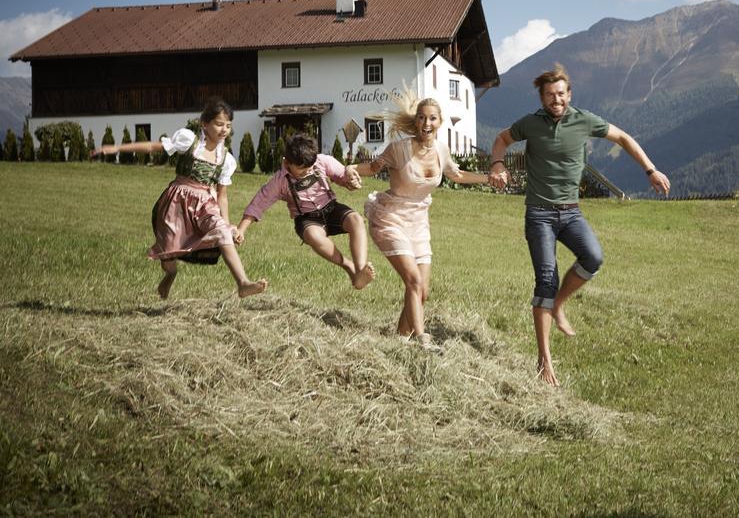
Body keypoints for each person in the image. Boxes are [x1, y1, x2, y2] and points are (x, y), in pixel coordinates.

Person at [489, 63, 671, 386]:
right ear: (542, 98)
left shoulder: (584, 120)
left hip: (571, 212)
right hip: (540, 214)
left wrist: (650, 170)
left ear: (569, 94)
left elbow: (624, 138)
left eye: (561, 94)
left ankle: (559, 305)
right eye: (549, 95)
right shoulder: (531, 124)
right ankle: (544, 361)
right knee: (546, 280)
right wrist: (498, 164)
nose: (556, 100)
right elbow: (501, 140)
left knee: (594, 257)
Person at [92, 97, 268, 299]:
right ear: (204, 124)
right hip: (176, 202)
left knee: (222, 232)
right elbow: (152, 147)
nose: (224, 130)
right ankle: (170, 274)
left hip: (206, 205)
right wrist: (115, 149)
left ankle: (243, 283)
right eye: (219, 124)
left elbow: (222, 196)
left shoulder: (226, 158)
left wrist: (228, 225)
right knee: (169, 251)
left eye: (228, 125)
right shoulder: (189, 141)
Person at [355, 89, 490, 348]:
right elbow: (372, 168)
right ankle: (422, 339)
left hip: (418, 222)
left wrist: (488, 179)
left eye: (432, 119)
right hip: (391, 217)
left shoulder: (441, 150)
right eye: (421, 118)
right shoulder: (399, 149)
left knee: (422, 291)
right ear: (415, 121)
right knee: (413, 281)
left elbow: (457, 175)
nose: (426, 124)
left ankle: (400, 341)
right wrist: (345, 169)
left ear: (439, 122)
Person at [235, 133, 375, 290]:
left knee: (356, 219)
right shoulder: (280, 181)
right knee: (313, 235)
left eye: (310, 169)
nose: (307, 172)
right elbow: (259, 203)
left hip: (330, 208)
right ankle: (349, 267)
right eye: (302, 171)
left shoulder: (322, 161)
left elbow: (342, 174)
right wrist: (241, 229)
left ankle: (360, 270)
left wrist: (350, 179)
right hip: (307, 219)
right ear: (287, 163)